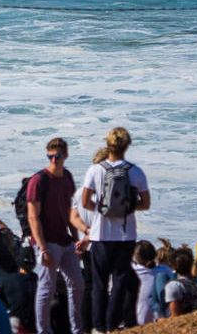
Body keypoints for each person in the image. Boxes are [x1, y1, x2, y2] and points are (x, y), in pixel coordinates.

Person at [77, 127, 149, 334]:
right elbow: (146, 203)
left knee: (99, 284)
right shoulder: (135, 171)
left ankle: (97, 328)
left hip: (101, 234)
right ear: (127, 146)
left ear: (107, 144)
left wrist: (102, 211)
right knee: (119, 281)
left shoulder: (95, 170)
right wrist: (126, 209)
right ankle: (111, 326)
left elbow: (84, 201)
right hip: (126, 234)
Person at [23, 137, 82, 334]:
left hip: (65, 240)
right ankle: (44, 331)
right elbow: (33, 217)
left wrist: (76, 238)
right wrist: (43, 247)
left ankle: (77, 329)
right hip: (46, 241)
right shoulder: (38, 180)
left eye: (57, 156)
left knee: (78, 284)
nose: (53, 160)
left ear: (65, 155)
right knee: (46, 287)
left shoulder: (67, 177)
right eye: (50, 156)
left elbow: (69, 210)